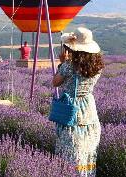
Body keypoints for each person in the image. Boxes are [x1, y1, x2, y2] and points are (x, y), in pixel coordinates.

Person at [52, 27, 104, 177]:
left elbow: (55, 82)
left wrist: (62, 64)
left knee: (71, 151)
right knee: (87, 150)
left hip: (71, 109)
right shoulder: (97, 67)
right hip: (88, 109)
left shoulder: (69, 66)